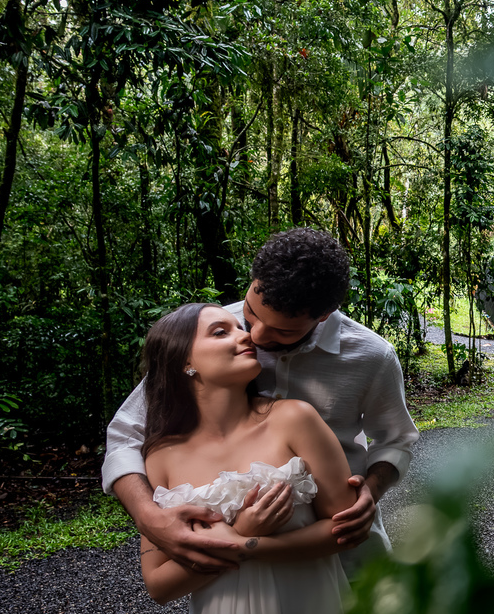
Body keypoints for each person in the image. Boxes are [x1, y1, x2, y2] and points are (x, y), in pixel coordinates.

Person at [103, 228, 420, 573]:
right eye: (251, 314)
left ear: (323, 315)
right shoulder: (213, 336)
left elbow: (396, 438)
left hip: (345, 553)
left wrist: (370, 493)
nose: (255, 336)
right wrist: (148, 516)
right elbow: (125, 432)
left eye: (284, 331)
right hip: (245, 568)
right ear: (253, 280)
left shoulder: (371, 356)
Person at [139, 302, 352, 614]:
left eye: (240, 327)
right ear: (185, 363)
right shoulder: (160, 457)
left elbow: (346, 528)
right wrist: (240, 535)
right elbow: (159, 584)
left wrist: (250, 544)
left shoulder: (294, 418)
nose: (245, 336)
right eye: (221, 332)